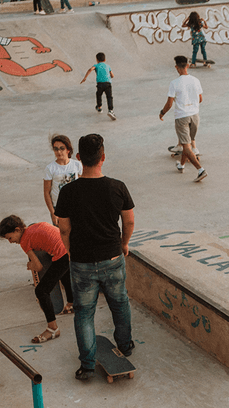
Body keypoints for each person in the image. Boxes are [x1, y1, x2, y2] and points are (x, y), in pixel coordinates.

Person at [54, 133, 135, 379]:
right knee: (119, 303)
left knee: (84, 313)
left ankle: (87, 365)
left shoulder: (68, 192)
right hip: (112, 257)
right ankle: (125, 345)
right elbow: (129, 221)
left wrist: (69, 251)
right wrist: (123, 244)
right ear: (103, 157)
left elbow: (64, 228)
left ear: (78, 158)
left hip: (82, 262)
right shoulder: (117, 186)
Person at [1, 215, 75, 343]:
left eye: (10, 238)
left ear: (17, 230)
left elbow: (39, 267)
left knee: (41, 291)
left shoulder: (24, 242)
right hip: (70, 247)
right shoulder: (33, 227)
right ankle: (72, 304)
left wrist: (30, 265)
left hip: (61, 254)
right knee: (64, 274)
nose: (10, 241)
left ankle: (53, 328)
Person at [159, 56, 208, 182]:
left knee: (186, 145)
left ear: (176, 67)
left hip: (182, 117)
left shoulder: (174, 83)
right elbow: (200, 99)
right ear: (187, 65)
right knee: (187, 142)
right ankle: (181, 165)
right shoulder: (196, 80)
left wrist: (162, 113)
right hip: (195, 116)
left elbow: (169, 104)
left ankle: (200, 170)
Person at [44, 135, 83, 226]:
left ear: (68, 150)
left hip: (76, 206)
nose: (59, 152)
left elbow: (82, 186)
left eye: (62, 148)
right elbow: (47, 192)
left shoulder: (77, 165)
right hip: (59, 208)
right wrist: (53, 213)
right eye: (56, 149)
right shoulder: (50, 168)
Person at [80, 52, 116, 120]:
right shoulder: (108, 66)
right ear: (105, 60)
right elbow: (112, 75)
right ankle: (110, 110)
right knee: (109, 97)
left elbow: (90, 69)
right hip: (108, 83)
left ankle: (99, 107)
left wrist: (85, 78)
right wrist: (109, 76)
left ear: (97, 60)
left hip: (100, 84)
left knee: (99, 95)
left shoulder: (96, 65)